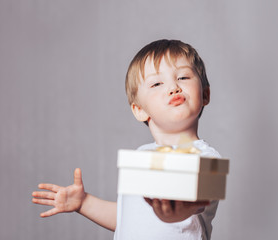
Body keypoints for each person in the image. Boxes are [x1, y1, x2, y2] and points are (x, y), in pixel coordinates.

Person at [32, 39, 222, 239]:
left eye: (183, 77)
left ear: (205, 94)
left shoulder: (209, 158)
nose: (173, 87)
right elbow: (128, 219)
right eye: (157, 83)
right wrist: (84, 203)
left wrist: (176, 211)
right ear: (139, 110)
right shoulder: (141, 155)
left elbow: (200, 198)